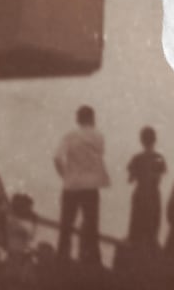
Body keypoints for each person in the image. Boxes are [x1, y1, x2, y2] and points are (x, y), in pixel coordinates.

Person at [52, 104, 109, 268]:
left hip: (71, 186)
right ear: (92, 118)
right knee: (91, 226)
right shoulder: (99, 136)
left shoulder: (70, 136)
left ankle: (62, 261)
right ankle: (90, 263)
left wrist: (65, 175)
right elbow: (99, 155)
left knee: (66, 225)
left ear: (78, 119)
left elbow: (56, 157)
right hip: (91, 187)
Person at [123, 125, 167, 268]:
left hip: (140, 195)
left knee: (135, 232)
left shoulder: (137, 158)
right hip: (153, 197)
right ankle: (150, 268)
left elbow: (130, 179)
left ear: (142, 140)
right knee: (152, 233)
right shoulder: (159, 158)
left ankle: (134, 267)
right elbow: (159, 178)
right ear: (154, 140)